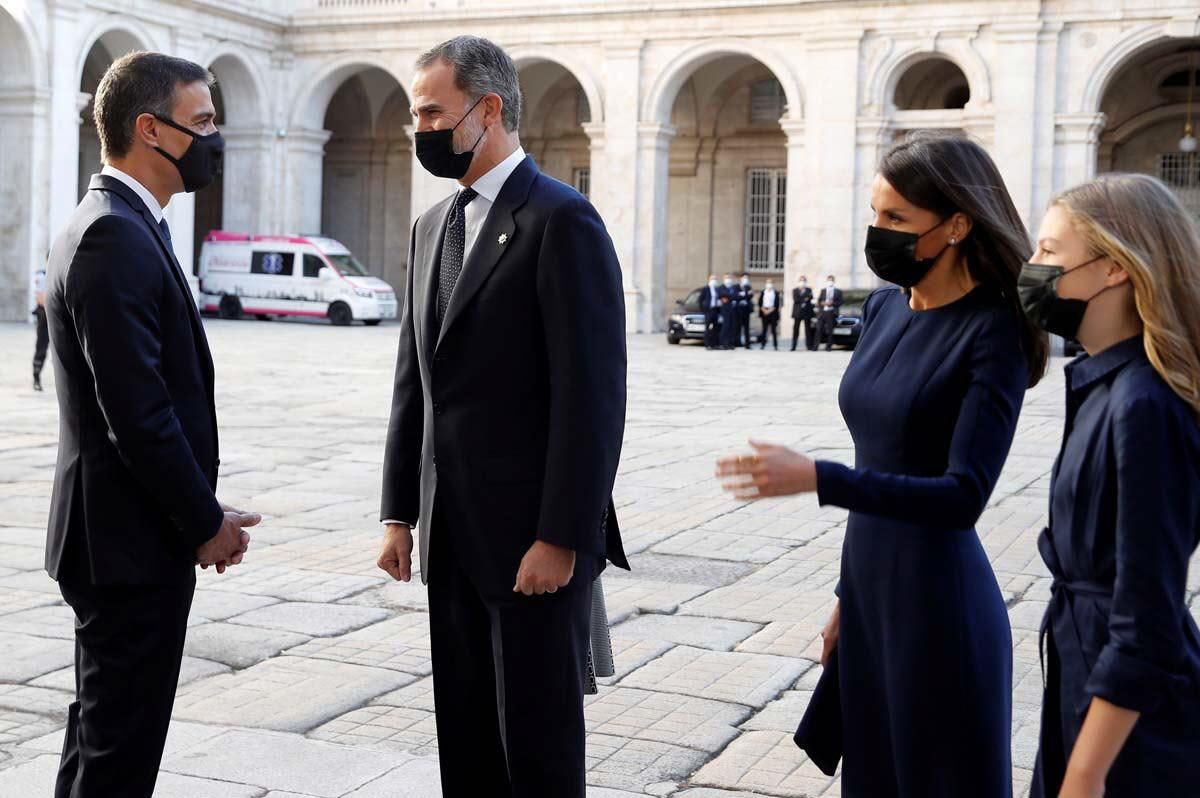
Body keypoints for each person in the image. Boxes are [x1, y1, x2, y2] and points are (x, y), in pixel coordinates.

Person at [716, 132, 1047, 797]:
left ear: (956, 224)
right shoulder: (885, 307)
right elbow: (882, 453)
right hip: (871, 590)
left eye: (896, 219)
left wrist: (820, 477)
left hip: (938, 603)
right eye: (875, 213)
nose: (879, 231)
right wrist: (848, 593)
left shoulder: (993, 330)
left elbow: (962, 496)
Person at [376, 36, 629, 798]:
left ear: (489, 110)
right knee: (466, 732)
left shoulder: (562, 221)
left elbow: (592, 400)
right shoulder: (432, 228)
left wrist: (562, 536)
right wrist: (398, 514)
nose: (419, 129)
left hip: (532, 543)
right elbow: (415, 383)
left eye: (431, 112)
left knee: (538, 741)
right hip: (449, 531)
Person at [43, 51, 258, 798]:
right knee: (118, 757)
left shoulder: (129, 222)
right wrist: (202, 520)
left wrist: (201, 506)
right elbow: (136, 415)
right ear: (149, 129)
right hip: (124, 546)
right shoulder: (113, 235)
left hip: (126, 535)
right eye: (201, 122)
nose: (214, 137)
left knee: (104, 735)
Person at [1021, 174, 1200, 798]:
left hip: (1130, 722)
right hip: (1083, 673)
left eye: (1049, 251)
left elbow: (1146, 614)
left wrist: (1087, 773)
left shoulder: (1144, 405)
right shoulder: (1102, 384)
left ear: (1114, 269)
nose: (1032, 266)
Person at [32, 267, 48, 391]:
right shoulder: (42, 276)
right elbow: (40, 297)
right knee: (41, 347)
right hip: (45, 315)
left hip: (57, 314)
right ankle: (36, 377)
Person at [816, 274, 842, 350]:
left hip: (831, 312)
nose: (830, 282)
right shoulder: (823, 290)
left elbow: (840, 302)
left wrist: (832, 303)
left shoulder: (838, 291)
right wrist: (822, 303)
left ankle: (828, 347)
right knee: (819, 329)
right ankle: (815, 346)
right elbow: (819, 300)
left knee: (830, 330)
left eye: (831, 280)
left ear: (834, 281)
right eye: (829, 280)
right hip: (823, 312)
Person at [791, 274, 815, 351]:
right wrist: (805, 299)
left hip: (807, 312)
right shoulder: (795, 290)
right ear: (798, 281)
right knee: (796, 330)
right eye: (801, 280)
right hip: (797, 312)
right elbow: (796, 299)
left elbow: (811, 297)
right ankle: (793, 346)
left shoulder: (809, 290)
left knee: (808, 330)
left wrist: (806, 298)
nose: (802, 282)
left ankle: (809, 346)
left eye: (804, 280)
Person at [758, 278, 782, 349]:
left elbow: (776, 304)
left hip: (773, 312)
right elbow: (760, 303)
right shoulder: (763, 292)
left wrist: (770, 310)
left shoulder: (775, 293)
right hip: (764, 311)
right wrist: (764, 310)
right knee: (764, 329)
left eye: (771, 283)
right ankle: (762, 344)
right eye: (768, 282)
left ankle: (775, 345)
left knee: (774, 330)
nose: (769, 284)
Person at [700, 274, 721, 350]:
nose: (714, 280)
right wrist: (704, 310)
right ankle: (707, 344)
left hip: (715, 311)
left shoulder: (717, 289)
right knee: (707, 328)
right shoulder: (705, 289)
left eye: (715, 279)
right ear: (709, 279)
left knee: (715, 329)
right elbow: (700, 300)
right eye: (712, 279)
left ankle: (714, 344)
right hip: (708, 311)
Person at [718, 273, 738, 350]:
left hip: (733, 311)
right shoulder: (721, 287)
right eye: (726, 278)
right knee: (725, 328)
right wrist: (731, 296)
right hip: (725, 311)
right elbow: (722, 294)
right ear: (724, 279)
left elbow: (737, 296)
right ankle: (723, 344)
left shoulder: (734, 287)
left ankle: (731, 344)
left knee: (732, 328)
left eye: (729, 277)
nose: (728, 279)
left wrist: (728, 297)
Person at [736, 273, 755, 348]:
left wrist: (743, 294)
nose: (745, 279)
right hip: (739, 309)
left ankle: (747, 344)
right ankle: (738, 342)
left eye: (747, 278)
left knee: (747, 327)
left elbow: (750, 296)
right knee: (738, 327)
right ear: (741, 278)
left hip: (746, 309)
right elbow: (736, 296)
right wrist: (744, 294)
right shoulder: (737, 286)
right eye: (744, 278)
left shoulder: (749, 287)